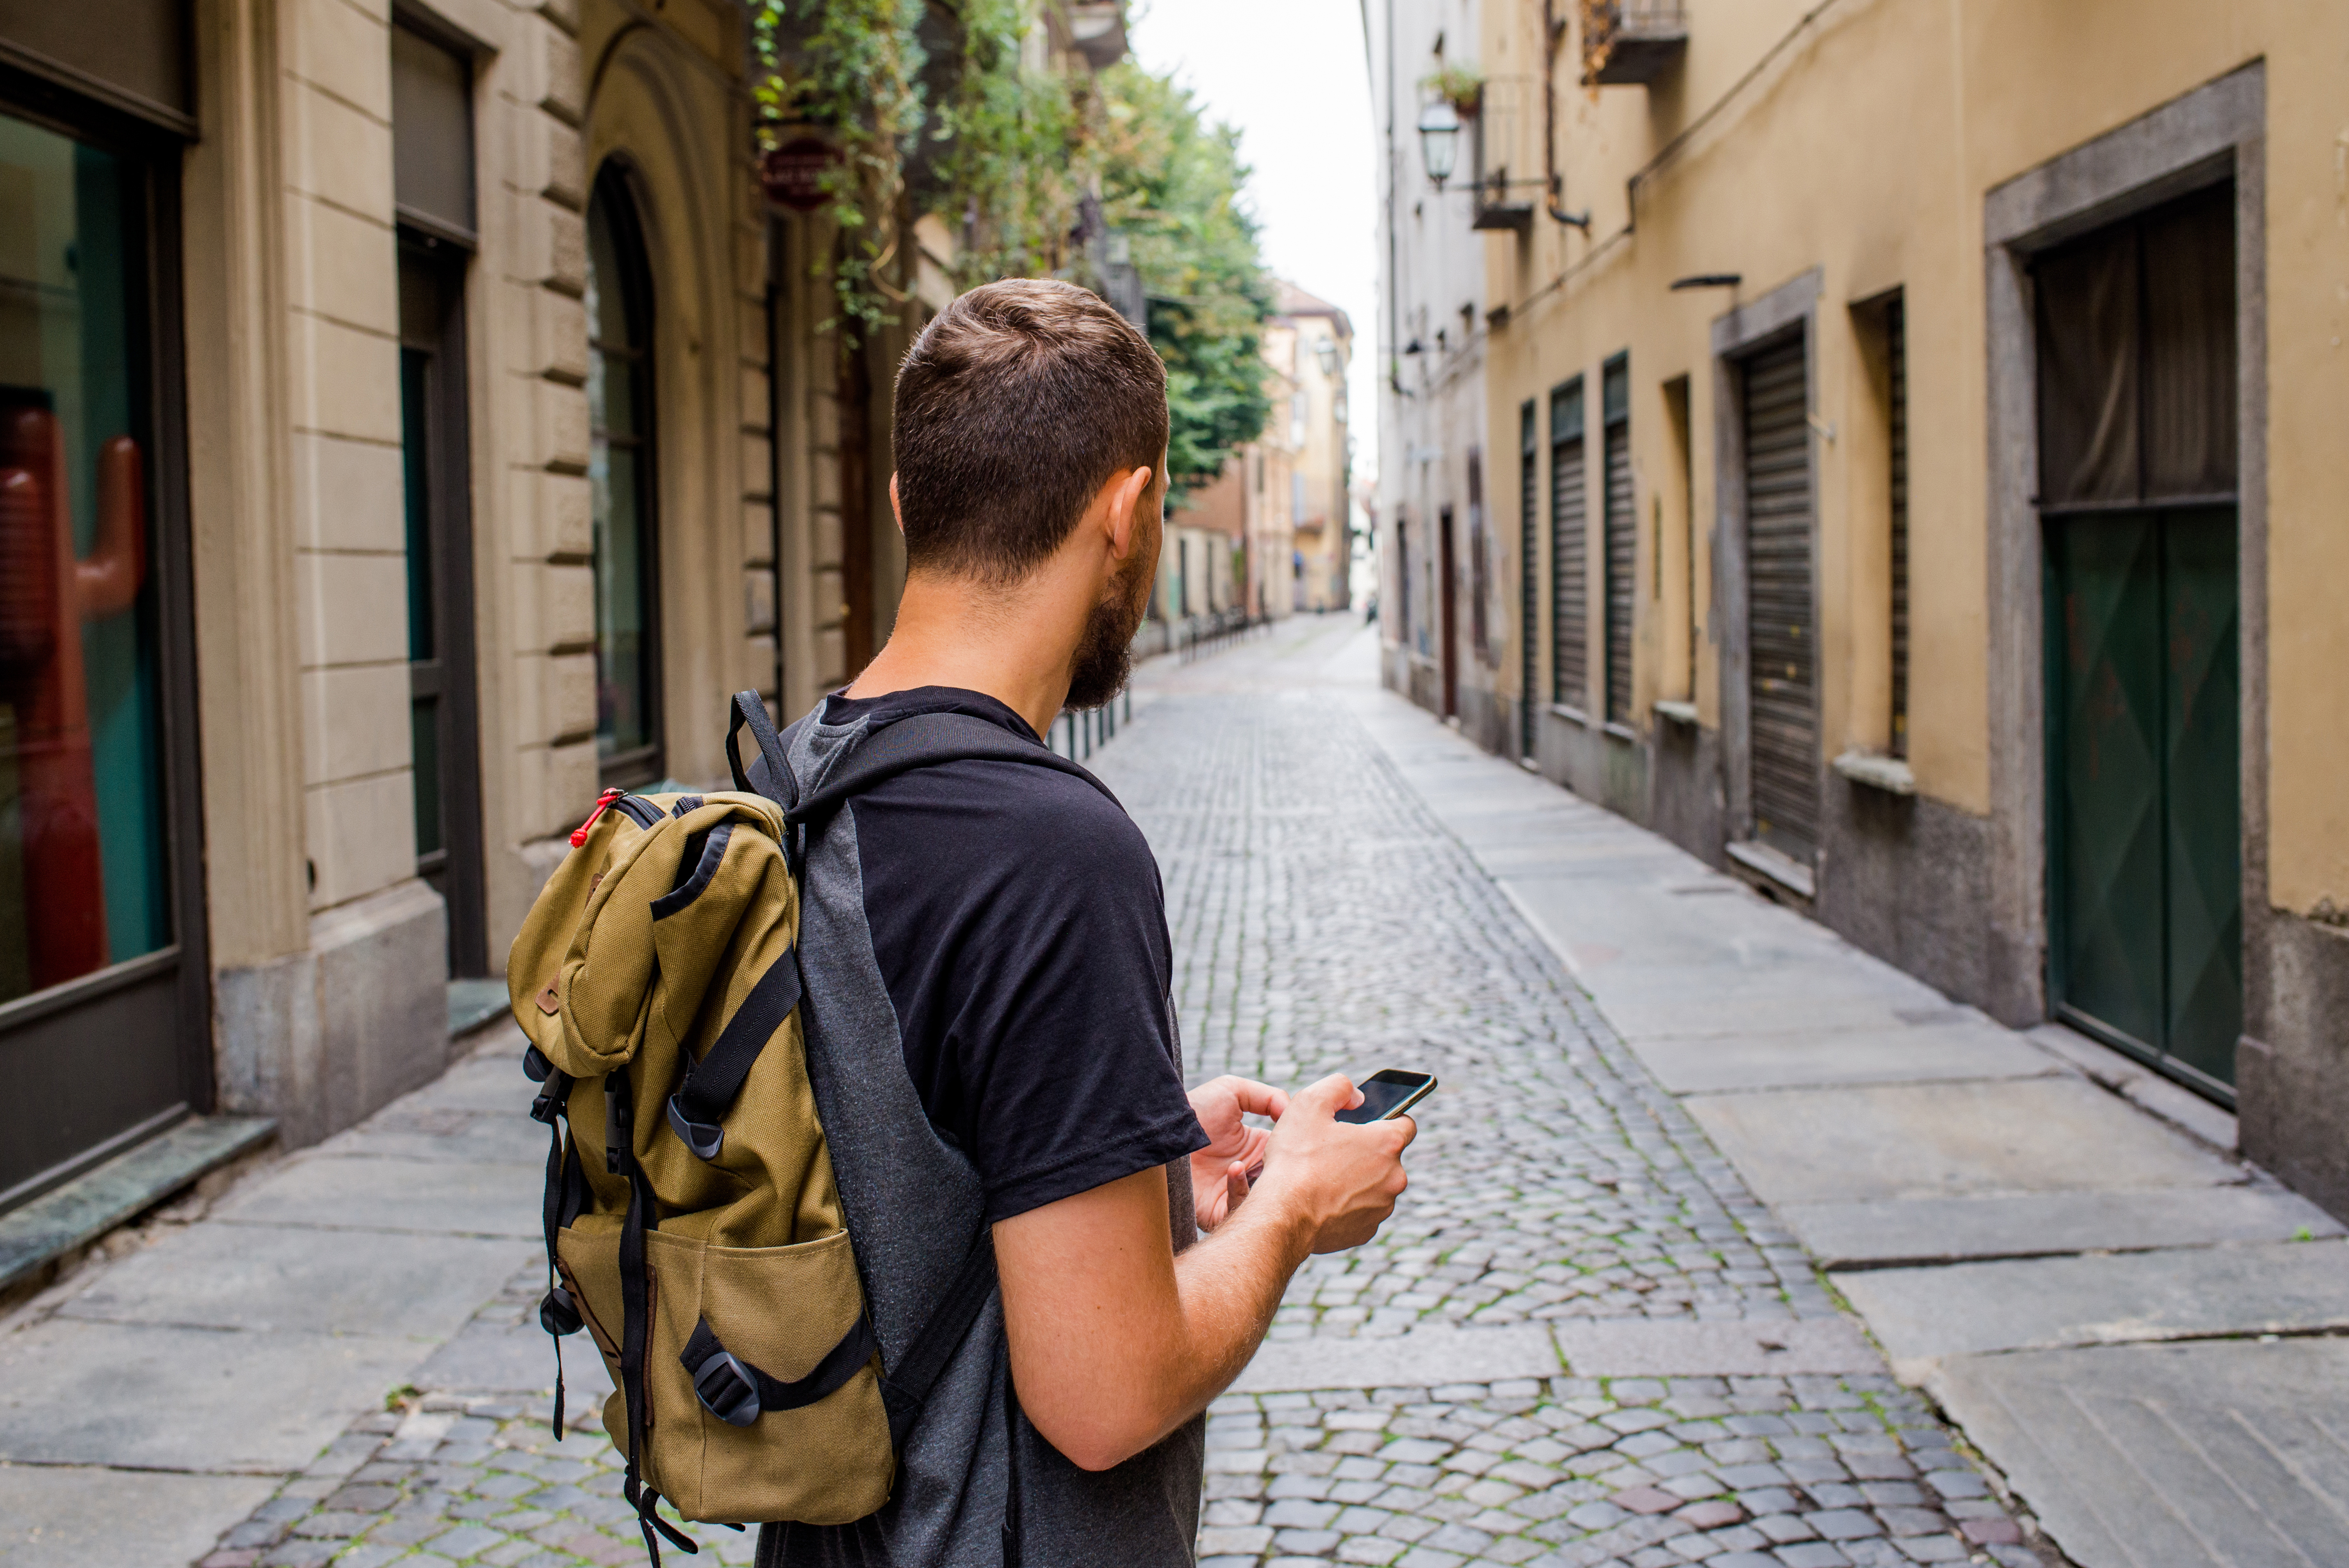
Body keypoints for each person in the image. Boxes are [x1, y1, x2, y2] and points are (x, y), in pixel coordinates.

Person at [759, 278, 1415, 1568]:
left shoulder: (797, 775)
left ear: (907, 507)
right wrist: (1285, 1210)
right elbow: (1106, 1399)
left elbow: (914, 1173)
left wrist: (1146, 1162)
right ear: (1125, 513)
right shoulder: (1047, 852)